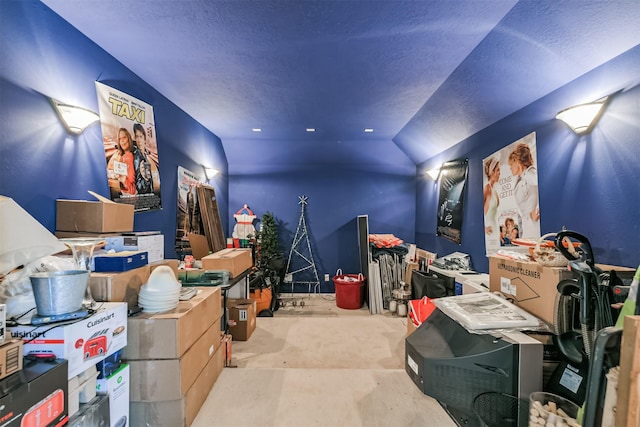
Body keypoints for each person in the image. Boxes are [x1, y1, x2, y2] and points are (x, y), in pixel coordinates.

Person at [508, 143, 539, 238]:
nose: (510, 167)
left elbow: (540, 191)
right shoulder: (521, 178)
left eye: (511, 164)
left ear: (517, 162)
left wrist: (537, 210)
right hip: (527, 225)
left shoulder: (531, 174)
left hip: (534, 225)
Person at [107, 128, 137, 196]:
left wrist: (124, 181)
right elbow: (109, 169)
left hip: (131, 193)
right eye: (120, 139)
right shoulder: (119, 155)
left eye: (124, 137)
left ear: (128, 138)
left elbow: (131, 180)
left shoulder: (133, 155)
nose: (122, 141)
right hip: (124, 192)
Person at [132, 123, 153, 195]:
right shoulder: (137, 158)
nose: (139, 140)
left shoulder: (145, 155)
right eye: (137, 136)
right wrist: (146, 180)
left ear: (145, 139)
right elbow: (139, 187)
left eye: (141, 136)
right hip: (144, 200)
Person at [483, 157, 500, 236]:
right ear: (491, 172)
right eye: (498, 170)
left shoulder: (494, 190)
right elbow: (478, 213)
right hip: (489, 231)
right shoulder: (487, 189)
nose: (500, 173)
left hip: (495, 229)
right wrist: (483, 228)